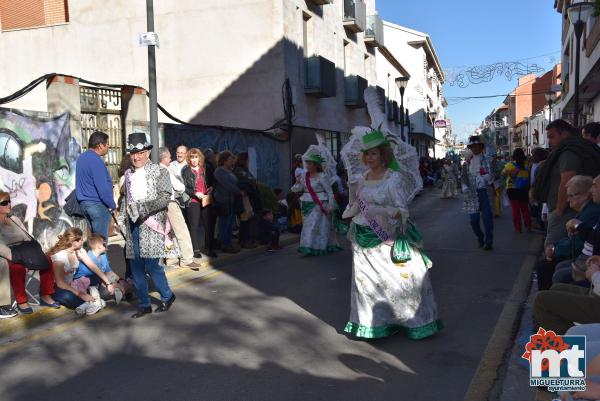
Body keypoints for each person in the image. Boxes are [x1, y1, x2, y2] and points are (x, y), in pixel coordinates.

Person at [341, 129, 442, 340]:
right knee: (366, 284)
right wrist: (350, 210)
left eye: (373, 154)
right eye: (366, 154)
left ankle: (407, 320)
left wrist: (384, 212)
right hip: (362, 236)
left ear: (383, 155)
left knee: (400, 281)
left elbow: (401, 210)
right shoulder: (361, 179)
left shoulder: (393, 179)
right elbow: (357, 204)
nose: (369, 158)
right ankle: (374, 323)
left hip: (386, 236)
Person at [116, 132, 177, 318]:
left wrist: (142, 208)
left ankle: (167, 295)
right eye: (133, 153)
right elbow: (126, 199)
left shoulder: (161, 172)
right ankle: (144, 304)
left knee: (152, 267)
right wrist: (121, 216)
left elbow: (165, 199)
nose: (137, 156)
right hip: (132, 227)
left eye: (141, 152)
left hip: (152, 226)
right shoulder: (127, 175)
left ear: (148, 152)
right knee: (136, 270)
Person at [532, 119, 600, 247]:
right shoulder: (573, 149)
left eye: (552, 137)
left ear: (564, 134)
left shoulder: (569, 152)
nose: (549, 141)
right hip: (572, 209)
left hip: (566, 212)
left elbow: (566, 182)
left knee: (552, 250)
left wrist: (559, 210)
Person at [535, 175, 600, 290]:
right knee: (554, 267)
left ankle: (550, 302)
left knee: (552, 271)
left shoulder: (592, 212)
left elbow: (578, 243)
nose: (567, 199)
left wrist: (554, 250)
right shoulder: (586, 211)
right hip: (586, 260)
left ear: (584, 196)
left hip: (589, 263)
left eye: (570, 195)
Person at [0, 191, 57, 315]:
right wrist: (18, 258)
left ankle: (45, 295)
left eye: (9, 201)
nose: (9, 204)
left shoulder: (14, 219)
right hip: (10, 254)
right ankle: (21, 301)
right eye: (4, 203)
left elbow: (27, 237)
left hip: (24, 250)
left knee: (46, 259)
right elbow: (1, 247)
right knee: (17, 268)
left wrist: (33, 255)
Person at [50, 227, 112, 315]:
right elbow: (59, 283)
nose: (83, 242)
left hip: (73, 285)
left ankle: (90, 303)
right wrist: (80, 294)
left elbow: (93, 267)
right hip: (60, 288)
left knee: (94, 276)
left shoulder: (79, 251)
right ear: (74, 242)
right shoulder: (59, 257)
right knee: (66, 296)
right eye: (81, 240)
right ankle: (95, 302)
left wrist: (108, 283)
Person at [158, 147, 201, 269]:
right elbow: (178, 187)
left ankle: (171, 259)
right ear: (165, 158)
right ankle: (187, 259)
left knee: (167, 232)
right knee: (181, 230)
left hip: (159, 204)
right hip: (170, 202)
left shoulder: (154, 169)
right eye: (170, 156)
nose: (171, 158)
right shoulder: (165, 170)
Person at [290, 154, 340, 256]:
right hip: (305, 203)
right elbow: (296, 189)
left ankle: (319, 247)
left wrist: (331, 206)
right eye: (307, 163)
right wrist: (297, 182)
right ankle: (309, 246)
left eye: (310, 163)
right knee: (308, 226)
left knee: (320, 226)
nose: (307, 166)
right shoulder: (304, 176)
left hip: (319, 204)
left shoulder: (322, 176)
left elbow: (329, 192)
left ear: (316, 165)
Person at [75, 130, 116, 238]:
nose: (108, 146)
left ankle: (93, 255)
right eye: (107, 144)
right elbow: (102, 188)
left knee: (93, 241)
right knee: (100, 243)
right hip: (97, 205)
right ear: (100, 146)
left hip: (84, 204)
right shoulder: (96, 161)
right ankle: (100, 255)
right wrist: (112, 205)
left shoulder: (81, 158)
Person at [461, 136, 494, 250]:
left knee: (487, 219)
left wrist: (487, 177)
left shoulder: (488, 159)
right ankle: (480, 237)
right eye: (472, 146)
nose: (475, 148)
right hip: (472, 194)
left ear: (481, 147)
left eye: (477, 146)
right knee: (473, 221)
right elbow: (464, 176)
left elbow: (496, 172)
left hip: (485, 192)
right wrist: (464, 185)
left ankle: (488, 242)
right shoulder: (467, 163)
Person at [181, 148, 215, 259]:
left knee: (208, 225)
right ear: (189, 158)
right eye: (192, 157)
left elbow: (213, 181)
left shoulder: (205, 168)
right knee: (194, 225)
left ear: (199, 157)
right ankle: (195, 250)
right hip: (193, 200)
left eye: (196, 157)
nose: (194, 160)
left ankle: (209, 248)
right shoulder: (186, 170)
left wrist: (211, 188)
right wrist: (195, 193)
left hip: (205, 199)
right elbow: (185, 188)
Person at [213, 151, 242, 254]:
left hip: (231, 200)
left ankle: (229, 243)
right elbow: (227, 185)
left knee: (229, 223)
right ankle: (224, 245)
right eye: (230, 159)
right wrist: (239, 191)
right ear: (224, 160)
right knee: (224, 224)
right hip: (223, 201)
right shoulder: (219, 171)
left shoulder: (230, 170)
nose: (232, 161)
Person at [234, 152, 262, 249]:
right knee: (245, 219)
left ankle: (245, 240)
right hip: (244, 198)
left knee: (247, 219)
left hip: (248, 198)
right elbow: (246, 181)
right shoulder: (239, 170)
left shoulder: (244, 169)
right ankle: (244, 241)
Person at [502, 148, 531, 232]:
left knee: (515, 210)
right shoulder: (527, 165)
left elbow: (502, 174)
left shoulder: (509, 165)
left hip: (512, 189)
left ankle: (518, 228)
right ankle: (528, 225)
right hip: (524, 189)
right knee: (525, 208)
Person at [203, 148, 219, 256]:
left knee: (211, 223)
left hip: (209, 197)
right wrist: (212, 187)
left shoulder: (208, 166)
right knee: (209, 223)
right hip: (208, 197)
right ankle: (209, 246)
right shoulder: (208, 167)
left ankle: (211, 243)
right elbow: (210, 182)